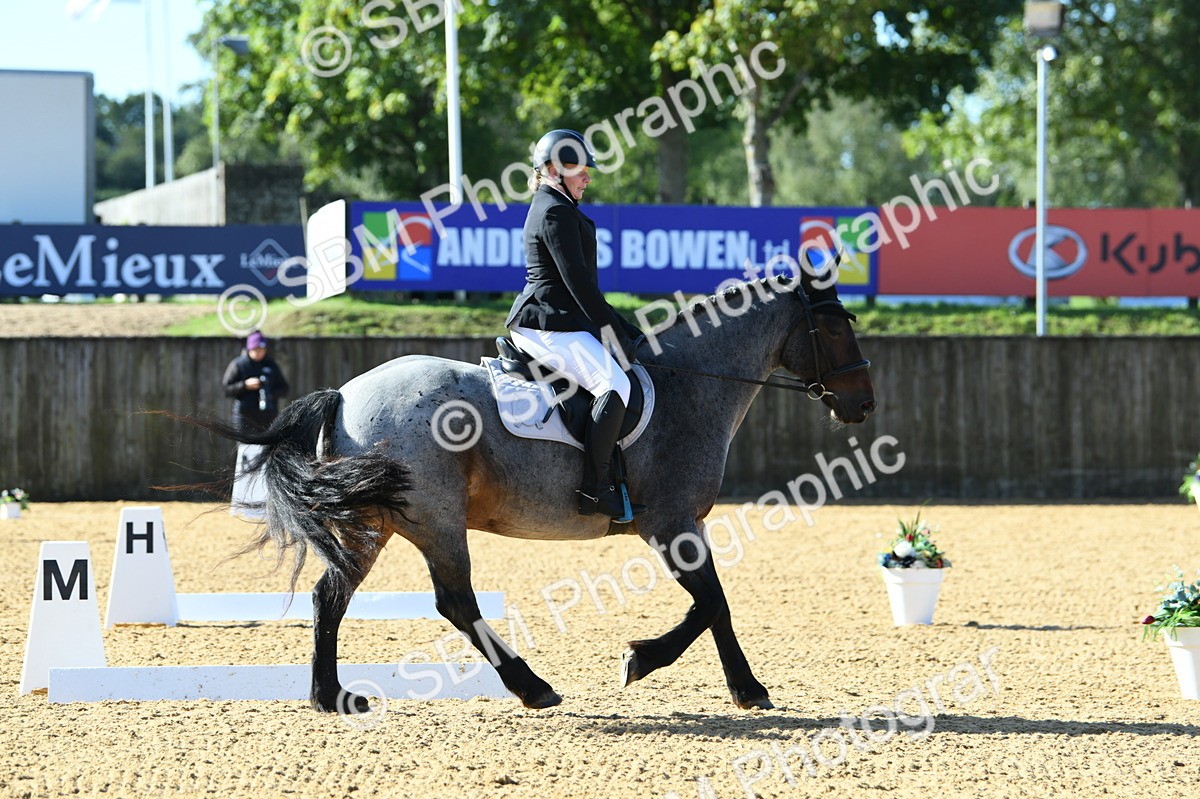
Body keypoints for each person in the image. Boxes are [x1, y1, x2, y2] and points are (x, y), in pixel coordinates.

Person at [504, 128, 646, 522]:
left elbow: (587, 292)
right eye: (579, 170)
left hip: (561, 320)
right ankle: (594, 491)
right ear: (553, 170)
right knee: (614, 385)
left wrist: (628, 330)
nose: (587, 178)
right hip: (545, 324)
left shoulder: (560, 207)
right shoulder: (553, 211)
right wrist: (615, 335)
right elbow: (579, 285)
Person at [222, 330, 290, 434]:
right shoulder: (238, 365)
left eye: (262, 349)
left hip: (268, 416)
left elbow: (284, 389)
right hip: (244, 416)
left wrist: (268, 392)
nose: (259, 353)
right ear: (249, 349)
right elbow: (226, 389)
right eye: (256, 349)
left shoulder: (271, 365)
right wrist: (245, 385)